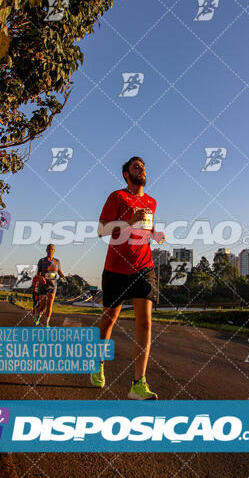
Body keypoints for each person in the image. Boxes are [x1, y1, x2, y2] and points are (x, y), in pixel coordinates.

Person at [91, 156, 165, 400]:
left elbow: (143, 229)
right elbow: (102, 230)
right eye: (136, 166)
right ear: (126, 174)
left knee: (145, 323)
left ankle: (138, 383)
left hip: (144, 266)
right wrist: (129, 221)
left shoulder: (151, 202)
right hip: (116, 268)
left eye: (143, 166)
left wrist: (155, 234)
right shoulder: (117, 197)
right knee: (109, 320)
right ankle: (98, 361)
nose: (141, 169)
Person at [34, 244, 65, 327]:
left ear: (54, 251)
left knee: (50, 305)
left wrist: (62, 276)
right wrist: (41, 278)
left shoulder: (57, 261)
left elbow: (59, 271)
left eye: (52, 249)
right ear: (46, 250)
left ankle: (47, 323)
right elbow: (37, 274)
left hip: (53, 285)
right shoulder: (42, 261)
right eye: (49, 249)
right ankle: (38, 317)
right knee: (42, 306)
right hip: (43, 285)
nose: (50, 250)